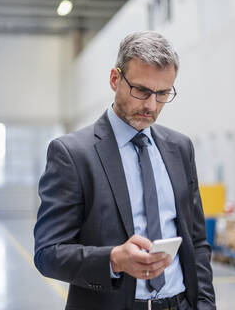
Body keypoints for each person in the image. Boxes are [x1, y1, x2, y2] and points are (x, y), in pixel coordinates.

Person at [34, 31, 215, 310]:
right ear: (115, 79)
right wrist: (114, 259)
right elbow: (48, 253)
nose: (151, 105)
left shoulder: (180, 148)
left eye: (163, 93)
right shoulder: (72, 154)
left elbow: (197, 242)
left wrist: (203, 305)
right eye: (141, 90)